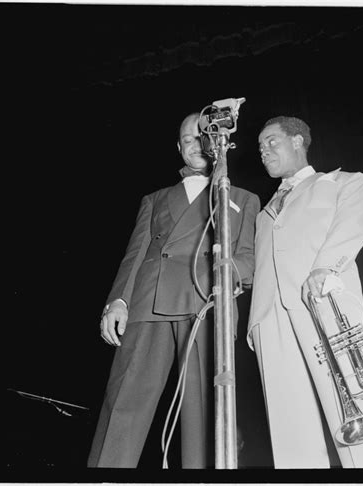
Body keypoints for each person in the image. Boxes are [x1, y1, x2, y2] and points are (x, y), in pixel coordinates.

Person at [88, 113, 260, 469]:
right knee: (124, 404)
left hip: (207, 305)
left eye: (202, 138)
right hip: (148, 304)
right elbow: (135, 254)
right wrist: (117, 301)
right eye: (186, 140)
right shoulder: (155, 198)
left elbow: (248, 259)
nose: (195, 145)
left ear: (218, 143)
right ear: (178, 149)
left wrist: (227, 275)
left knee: (204, 414)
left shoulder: (243, 197)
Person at [247, 116, 363, 468]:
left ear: (297, 141)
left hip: (321, 299)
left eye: (271, 141)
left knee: (355, 396)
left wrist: (326, 268)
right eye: (260, 146)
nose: (263, 151)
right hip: (270, 317)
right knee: (288, 422)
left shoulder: (342, 182)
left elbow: (351, 226)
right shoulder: (262, 214)